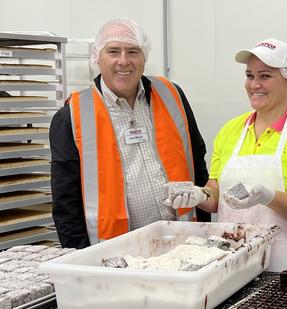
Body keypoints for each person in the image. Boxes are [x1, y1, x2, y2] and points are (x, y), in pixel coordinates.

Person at [165, 38, 287, 271]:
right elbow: (217, 196)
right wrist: (199, 195)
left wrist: (267, 196)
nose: (254, 84)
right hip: (234, 264)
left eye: (265, 76)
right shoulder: (230, 131)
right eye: (250, 75)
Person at [50, 18, 210, 249]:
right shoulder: (71, 117)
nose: (123, 61)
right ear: (97, 57)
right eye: (113, 51)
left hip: (184, 241)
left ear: (144, 57)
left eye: (133, 51)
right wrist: (81, 260)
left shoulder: (172, 95)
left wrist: (205, 230)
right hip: (116, 251)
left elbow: (197, 160)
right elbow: (65, 202)